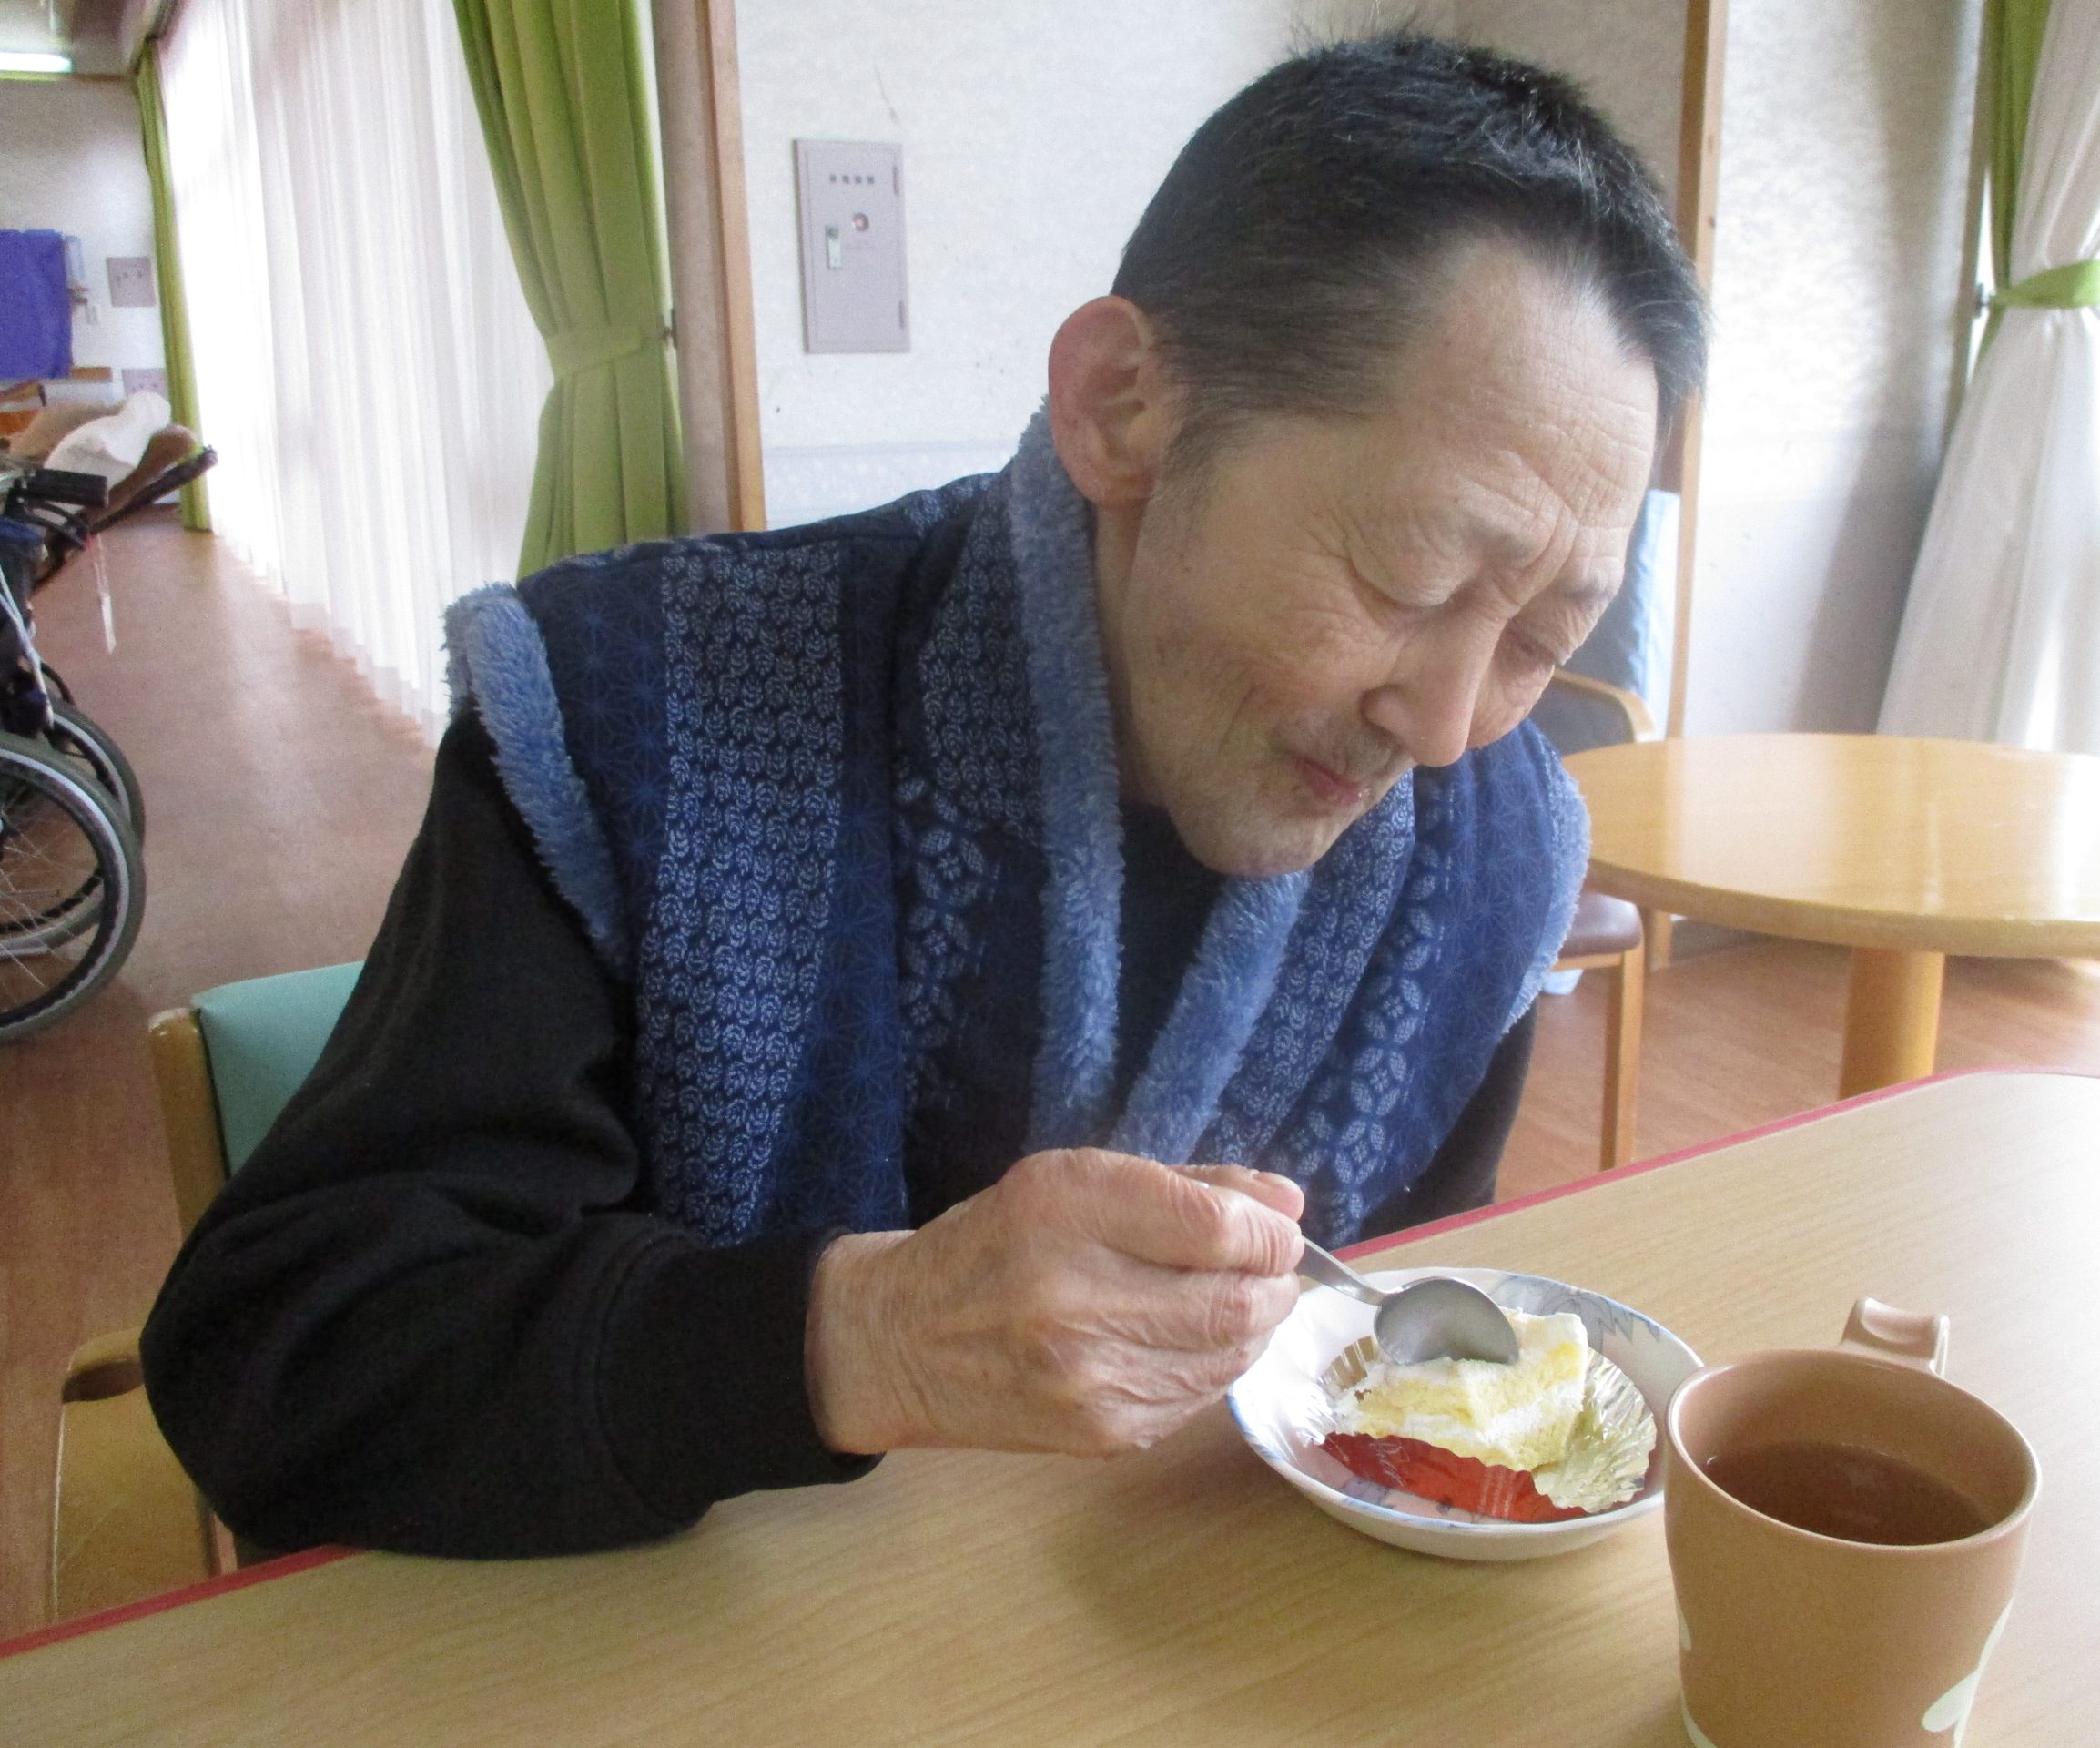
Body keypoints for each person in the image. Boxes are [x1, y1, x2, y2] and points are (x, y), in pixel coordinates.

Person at [142, 34, 1706, 1559]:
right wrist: (863, 1336)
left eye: (1543, 640)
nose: (1448, 727)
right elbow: (279, 1360)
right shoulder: (636, 712)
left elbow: (1396, 1349)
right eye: (1411, 577)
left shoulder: (1493, 847)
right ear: (1122, 404)